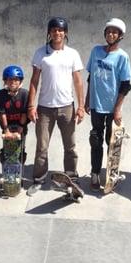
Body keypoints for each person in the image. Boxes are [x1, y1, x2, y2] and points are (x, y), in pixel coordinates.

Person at [27, 17, 85, 194]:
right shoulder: (40, 53)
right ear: (49, 33)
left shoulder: (72, 54)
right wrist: (31, 106)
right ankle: (38, 179)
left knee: (70, 146)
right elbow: (34, 81)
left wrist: (81, 107)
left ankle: (71, 178)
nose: (57, 33)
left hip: (67, 107)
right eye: (53, 30)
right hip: (45, 108)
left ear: (65, 33)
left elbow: (78, 82)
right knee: (42, 146)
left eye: (60, 30)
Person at [84, 18, 131, 192]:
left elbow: (126, 85)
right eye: (109, 31)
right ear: (105, 33)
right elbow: (91, 78)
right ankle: (95, 173)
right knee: (95, 141)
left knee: (111, 143)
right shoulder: (96, 51)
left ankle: (110, 175)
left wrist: (118, 109)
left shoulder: (122, 57)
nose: (111, 34)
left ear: (120, 36)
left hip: (112, 108)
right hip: (96, 105)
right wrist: (87, 100)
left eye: (115, 32)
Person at [0, 65, 29, 164]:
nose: (13, 82)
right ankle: (6, 169)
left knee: (20, 150)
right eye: (10, 79)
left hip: (21, 125)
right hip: (7, 125)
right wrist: (6, 131)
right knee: (7, 150)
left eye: (16, 80)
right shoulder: (1, 94)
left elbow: (24, 113)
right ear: (5, 81)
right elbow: (2, 113)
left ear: (20, 81)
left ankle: (19, 172)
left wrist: (20, 129)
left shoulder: (24, 94)